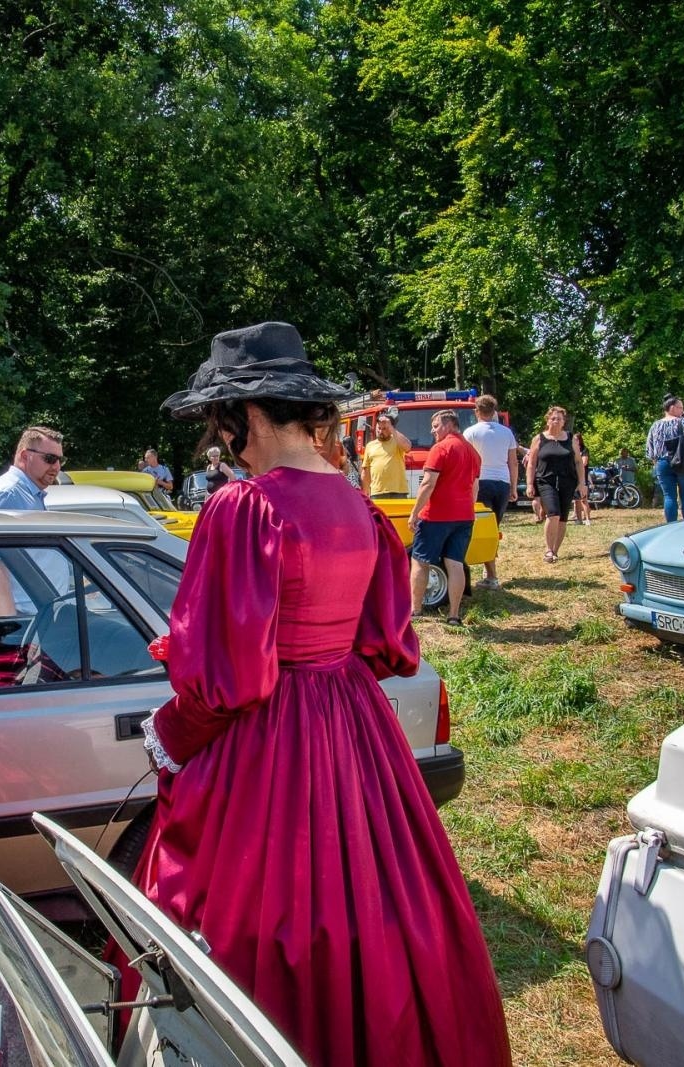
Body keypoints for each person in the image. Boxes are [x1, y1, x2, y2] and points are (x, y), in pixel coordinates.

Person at [137, 322, 510, 1067]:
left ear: (244, 416)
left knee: (259, 916)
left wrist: (168, 734)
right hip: (354, 726)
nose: (223, 443)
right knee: (377, 902)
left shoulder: (246, 508)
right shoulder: (359, 508)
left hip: (269, 736)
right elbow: (385, 644)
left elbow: (227, 677)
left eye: (222, 425)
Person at [0, 426, 66, 614]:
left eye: (60, 460)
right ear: (25, 456)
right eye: (50, 459)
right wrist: (10, 625)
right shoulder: (8, 494)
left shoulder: (26, 493)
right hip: (18, 615)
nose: (57, 466)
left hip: (31, 612)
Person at [410, 409, 481, 624]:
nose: (433, 431)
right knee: (455, 563)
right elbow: (475, 487)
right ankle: (454, 614)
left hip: (436, 516)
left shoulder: (440, 448)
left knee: (420, 561)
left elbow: (428, 483)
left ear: (449, 424)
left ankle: (416, 611)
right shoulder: (472, 451)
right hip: (465, 515)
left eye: (435, 426)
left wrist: (414, 513)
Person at [463, 394, 518, 589]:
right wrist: (513, 486)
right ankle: (490, 570)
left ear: (476, 411)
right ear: (494, 411)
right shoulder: (507, 433)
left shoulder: (470, 433)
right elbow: (513, 462)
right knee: (494, 528)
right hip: (502, 483)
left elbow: (466, 463)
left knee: (483, 528)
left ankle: (491, 575)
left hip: (481, 482)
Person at [526, 405, 586, 563]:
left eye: (559, 419)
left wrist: (582, 483)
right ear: (547, 420)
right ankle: (548, 550)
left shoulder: (571, 439)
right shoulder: (539, 439)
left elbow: (579, 462)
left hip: (568, 481)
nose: (556, 421)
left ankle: (555, 550)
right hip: (546, 481)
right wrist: (529, 484)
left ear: (563, 421)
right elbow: (531, 464)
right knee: (553, 513)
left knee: (563, 518)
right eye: (553, 418)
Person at [647, 394, 684, 522]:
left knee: (669, 497)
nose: (683, 411)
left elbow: (650, 451)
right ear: (672, 408)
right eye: (680, 408)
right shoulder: (682, 422)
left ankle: (671, 526)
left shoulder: (655, 425)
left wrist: (657, 465)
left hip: (662, 463)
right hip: (683, 462)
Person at [361, 410, 413, 498]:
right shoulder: (370, 446)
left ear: (390, 429)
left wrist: (391, 427)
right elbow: (366, 472)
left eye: (384, 428)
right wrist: (365, 492)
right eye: (379, 428)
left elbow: (408, 447)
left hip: (398, 492)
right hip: (377, 492)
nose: (381, 431)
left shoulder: (397, 441)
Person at [573, 432, 592, 525]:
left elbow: (584, 462)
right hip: (574, 477)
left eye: (576, 439)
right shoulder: (572, 450)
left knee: (583, 499)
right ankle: (579, 519)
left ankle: (587, 519)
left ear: (580, 440)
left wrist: (576, 463)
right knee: (576, 500)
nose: (575, 441)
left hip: (582, 477)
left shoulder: (584, 450)